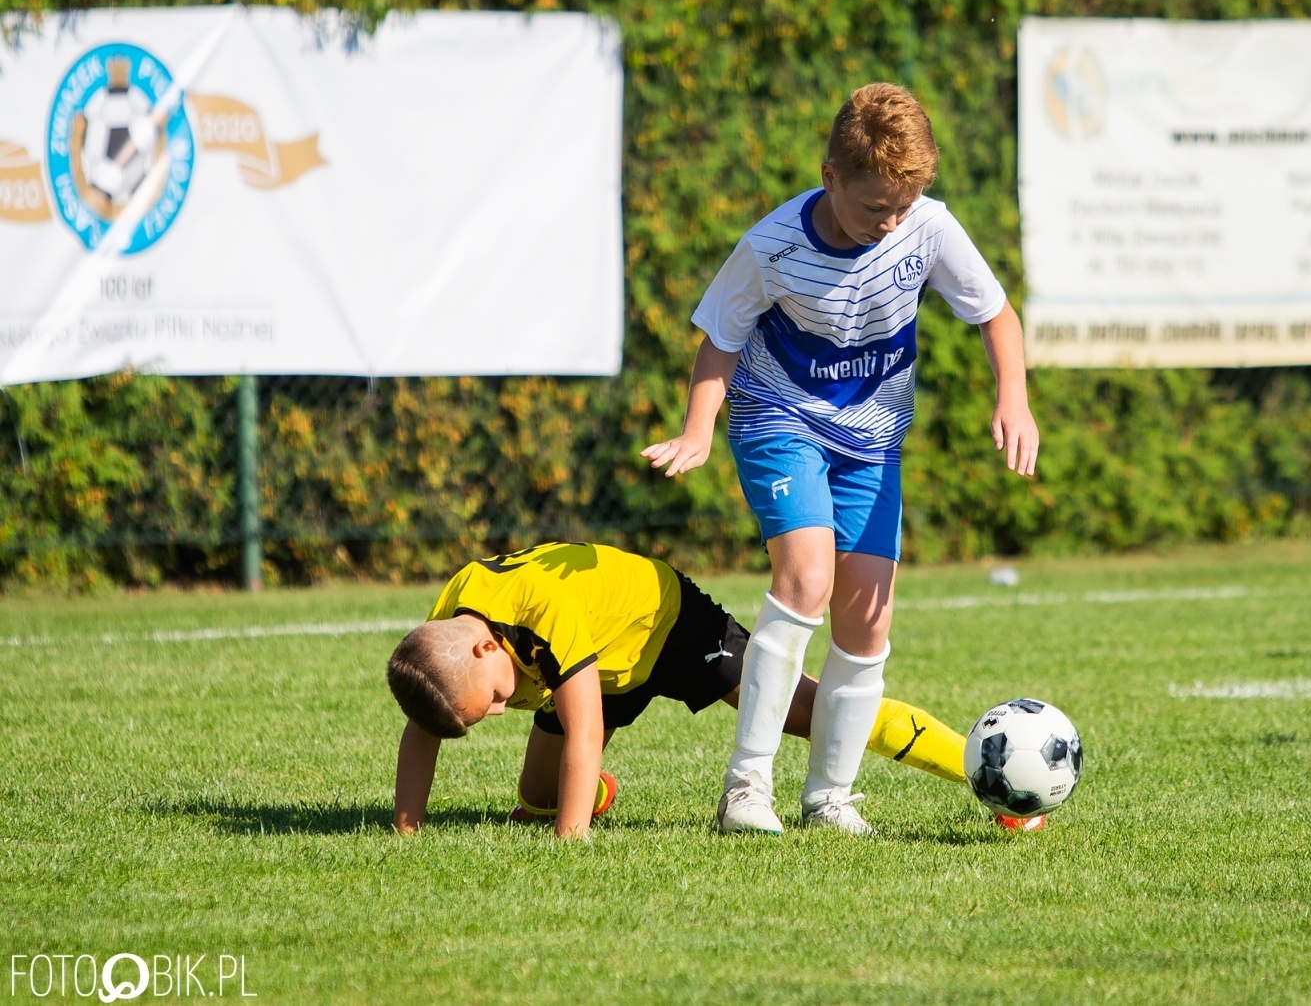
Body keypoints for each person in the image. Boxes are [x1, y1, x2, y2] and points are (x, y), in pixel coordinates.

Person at [642, 82, 1038, 835]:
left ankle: (829, 796)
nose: (887, 224)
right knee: (806, 577)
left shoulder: (925, 227)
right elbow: (720, 339)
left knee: (866, 619)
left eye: (901, 207)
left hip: (872, 441)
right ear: (830, 176)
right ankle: (745, 789)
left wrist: (1012, 399)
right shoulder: (772, 245)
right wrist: (697, 430)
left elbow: (994, 313)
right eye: (871, 210)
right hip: (777, 416)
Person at [385, 541, 976, 838]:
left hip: (668, 625)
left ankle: (981, 767)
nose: (499, 709)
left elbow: (585, 726)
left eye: (490, 700)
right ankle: (588, 791)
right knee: (535, 802)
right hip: (602, 664)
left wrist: (571, 844)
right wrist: (405, 831)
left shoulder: (544, 611)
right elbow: (422, 724)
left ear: (486, 648)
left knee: (814, 713)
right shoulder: (446, 631)